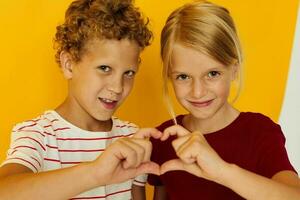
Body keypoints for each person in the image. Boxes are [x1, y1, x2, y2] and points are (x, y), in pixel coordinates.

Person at [0, 0, 161, 199]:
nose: (117, 87)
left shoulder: (133, 138)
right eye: (104, 68)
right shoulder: (39, 136)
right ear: (68, 64)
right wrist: (95, 173)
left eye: (129, 73)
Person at [147, 1, 300, 199]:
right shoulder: (163, 139)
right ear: (169, 75)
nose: (198, 92)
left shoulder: (260, 132)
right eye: (183, 77)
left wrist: (221, 171)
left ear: (234, 69)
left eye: (212, 73)